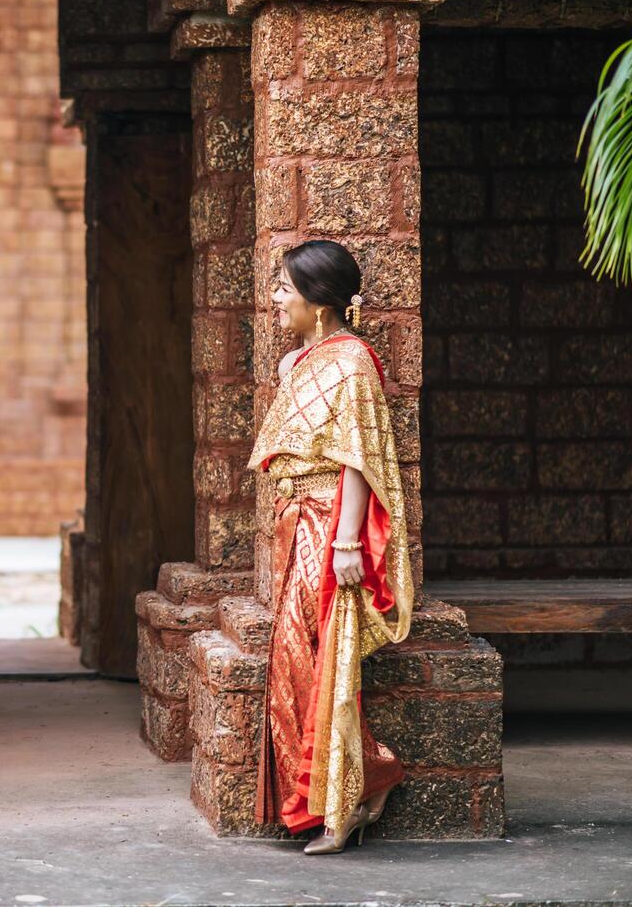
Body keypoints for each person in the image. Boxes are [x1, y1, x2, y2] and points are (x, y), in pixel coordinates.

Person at [246, 239, 414, 855]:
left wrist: (347, 541)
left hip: (329, 530)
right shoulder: (300, 362)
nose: (274, 298)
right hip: (296, 524)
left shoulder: (353, 363)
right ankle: (367, 776)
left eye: (283, 288)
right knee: (294, 660)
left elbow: (357, 464)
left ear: (319, 300)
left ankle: (343, 800)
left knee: (326, 659)